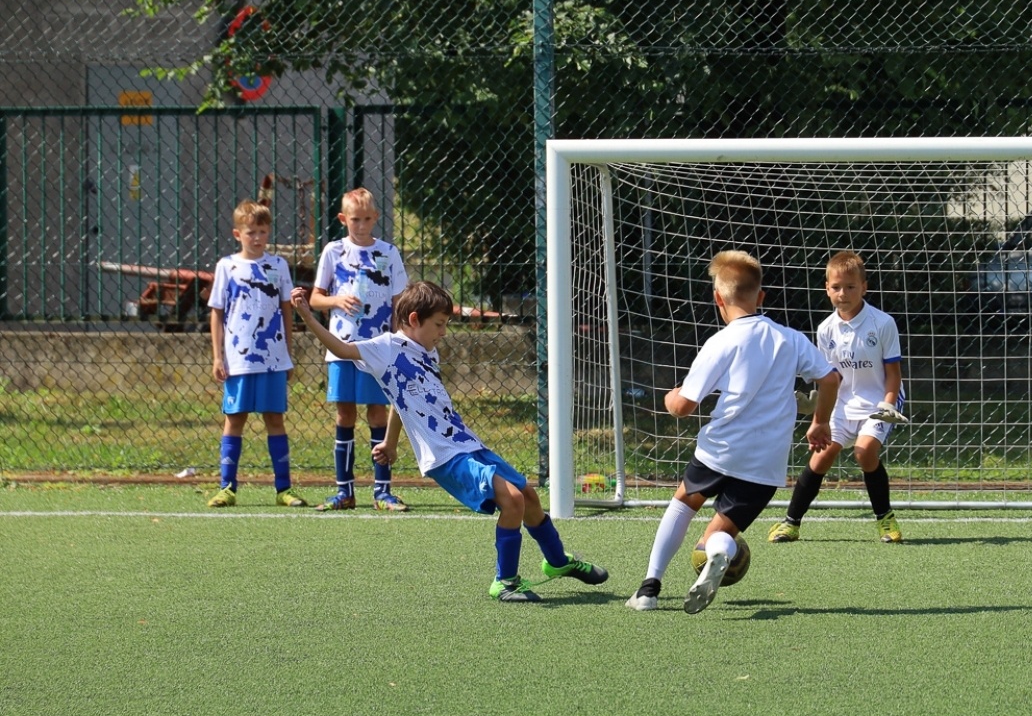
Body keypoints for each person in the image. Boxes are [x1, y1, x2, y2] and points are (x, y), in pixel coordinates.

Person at [290, 280, 608, 602]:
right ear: (414, 319)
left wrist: (390, 443)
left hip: (467, 443)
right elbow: (341, 349)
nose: (443, 333)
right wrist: (306, 314)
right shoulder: (384, 348)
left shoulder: (428, 352)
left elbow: (402, 400)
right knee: (512, 500)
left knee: (528, 495)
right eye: (439, 324)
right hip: (445, 455)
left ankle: (557, 562)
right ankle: (505, 581)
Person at [626, 250, 842, 614]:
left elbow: (683, 407)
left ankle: (649, 588)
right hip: (766, 463)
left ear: (718, 298)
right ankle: (719, 552)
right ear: (761, 296)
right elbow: (831, 378)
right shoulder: (789, 339)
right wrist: (820, 421)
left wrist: (669, 397)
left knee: (683, 504)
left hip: (721, 449)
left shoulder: (721, 342)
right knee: (719, 534)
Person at [767, 250, 908, 546]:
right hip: (843, 404)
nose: (843, 293)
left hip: (880, 400)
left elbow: (893, 374)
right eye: (836, 287)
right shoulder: (825, 329)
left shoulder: (883, 323)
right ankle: (790, 523)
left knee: (864, 452)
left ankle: (886, 519)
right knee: (822, 455)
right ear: (827, 289)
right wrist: (818, 411)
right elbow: (831, 379)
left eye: (851, 287)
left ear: (864, 287)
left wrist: (888, 404)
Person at [308, 187, 411, 511]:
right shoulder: (333, 252)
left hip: (377, 349)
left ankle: (382, 492)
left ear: (376, 217)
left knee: (378, 413)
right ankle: (345, 492)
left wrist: (399, 342)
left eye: (367, 219)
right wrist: (336, 300)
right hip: (341, 347)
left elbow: (399, 301)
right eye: (355, 220)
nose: (362, 225)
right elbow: (315, 298)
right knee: (345, 414)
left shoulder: (388, 253)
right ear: (343, 219)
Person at [205, 199, 306, 508]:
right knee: (234, 419)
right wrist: (218, 357)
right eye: (251, 232)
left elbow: (286, 310)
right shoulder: (227, 267)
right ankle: (227, 487)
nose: (257, 238)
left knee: (275, 419)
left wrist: (287, 354)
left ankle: (284, 489)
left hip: (273, 360)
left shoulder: (278, 266)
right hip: (238, 361)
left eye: (262, 231)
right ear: (238, 234)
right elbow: (217, 313)